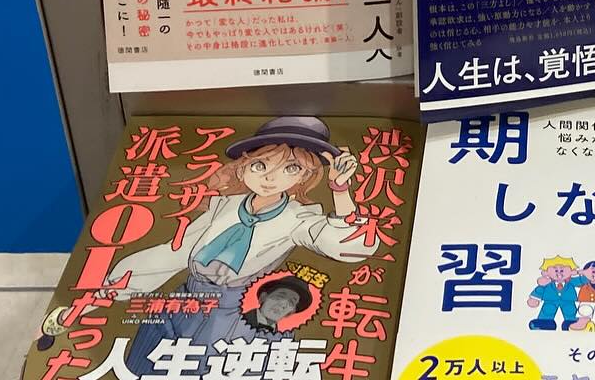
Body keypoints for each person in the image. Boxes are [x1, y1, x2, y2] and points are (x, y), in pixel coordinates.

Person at [40, 116, 369, 377]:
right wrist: (108, 291)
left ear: (305, 175)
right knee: (144, 367)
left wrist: (340, 191)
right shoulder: (224, 206)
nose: (270, 177)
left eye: (290, 168)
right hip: (182, 303)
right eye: (260, 165)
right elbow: (176, 253)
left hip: (232, 315)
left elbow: (351, 247)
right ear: (245, 165)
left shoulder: (299, 218)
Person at [241, 273, 315, 334]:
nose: (283, 305)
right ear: (263, 297)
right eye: (280, 296)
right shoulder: (237, 321)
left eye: (291, 302)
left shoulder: (283, 338)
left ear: (290, 313)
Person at [527, 255, 587, 330]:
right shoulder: (547, 283)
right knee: (547, 311)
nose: (559, 273)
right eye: (555, 271)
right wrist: (534, 298)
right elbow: (539, 290)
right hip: (550, 300)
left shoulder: (571, 281)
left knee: (570, 311)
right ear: (546, 272)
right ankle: (545, 323)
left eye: (562, 270)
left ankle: (571, 323)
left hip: (568, 300)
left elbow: (582, 280)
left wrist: (580, 272)